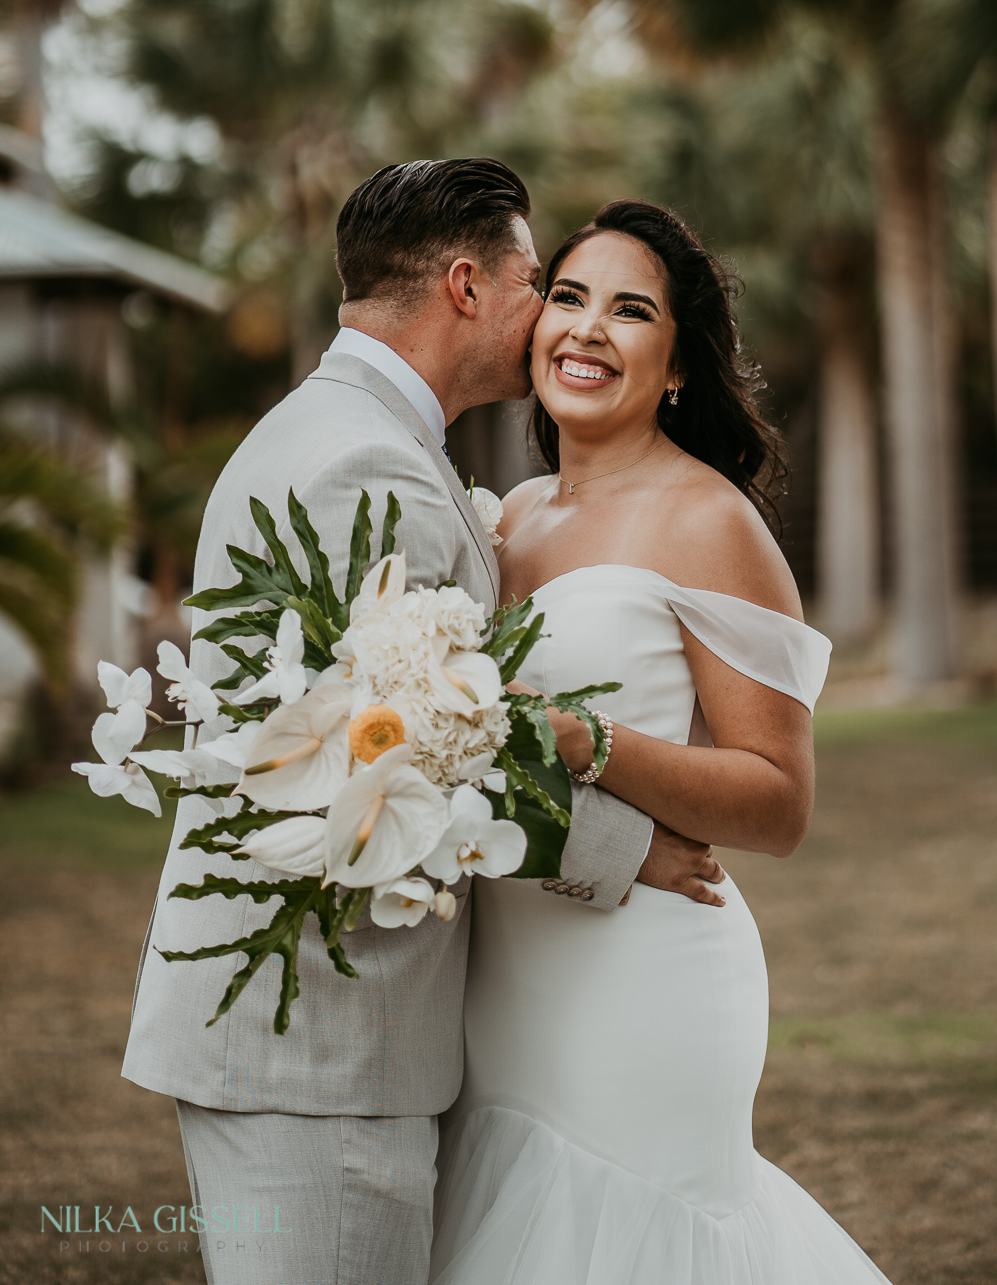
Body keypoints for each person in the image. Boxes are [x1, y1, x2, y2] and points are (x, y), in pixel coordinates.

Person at [122, 160, 723, 1285]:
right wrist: (625, 849)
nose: (549, 312)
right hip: (318, 1032)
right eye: (537, 281)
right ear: (466, 286)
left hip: (315, 1032)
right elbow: (390, 748)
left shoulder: (351, 434)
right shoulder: (366, 463)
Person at [430, 198, 892, 1284]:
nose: (587, 329)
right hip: (502, 980)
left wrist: (585, 739)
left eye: (630, 311)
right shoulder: (505, 518)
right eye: (571, 298)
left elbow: (778, 801)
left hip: (644, 977)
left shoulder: (709, 521)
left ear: (676, 365)